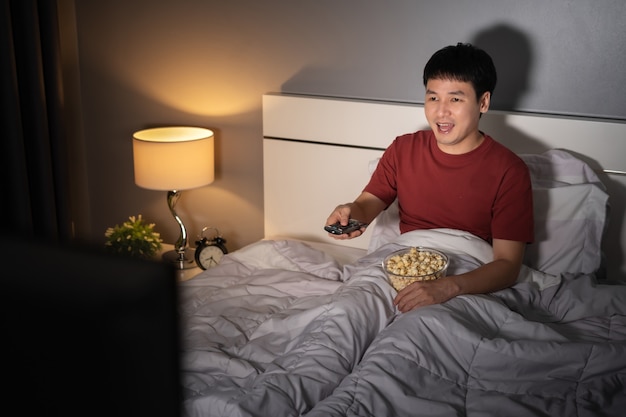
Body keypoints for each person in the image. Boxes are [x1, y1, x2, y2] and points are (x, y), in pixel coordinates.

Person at [325, 43, 534, 313]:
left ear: (483, 102)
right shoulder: (403, 149)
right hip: (402, 262)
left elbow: (507, 266)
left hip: (466, 273)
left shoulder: (509, 170)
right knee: (346, 313)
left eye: (455, 99)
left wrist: (449, 287)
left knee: (421, 333)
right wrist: (349, 214)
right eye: (433, 98)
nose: (441, 111)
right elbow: (367, 205)